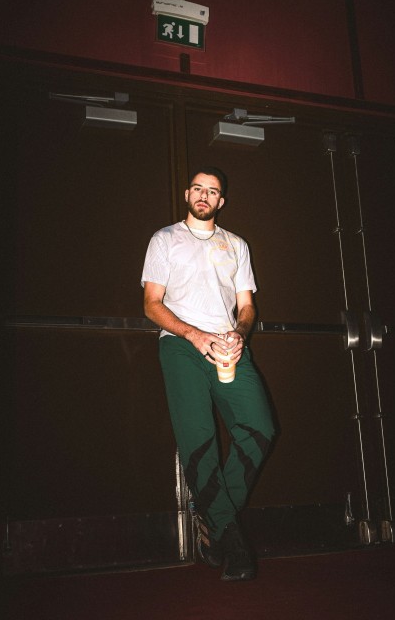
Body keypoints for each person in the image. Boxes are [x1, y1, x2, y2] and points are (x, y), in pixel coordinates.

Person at [141, 166, 275, 581]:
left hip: (228, 347)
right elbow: (151, 304)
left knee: (260, 428)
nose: (204, 195)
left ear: (221, 201)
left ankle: (213, 521)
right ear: (187, 195)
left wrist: (239, 333)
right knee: (198, 439)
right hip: (181, 345)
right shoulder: (164, 239)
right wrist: (193, 335)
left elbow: (247, 305)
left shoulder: (236, 244)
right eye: (198, 188)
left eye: (212, 191)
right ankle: (232, 542)